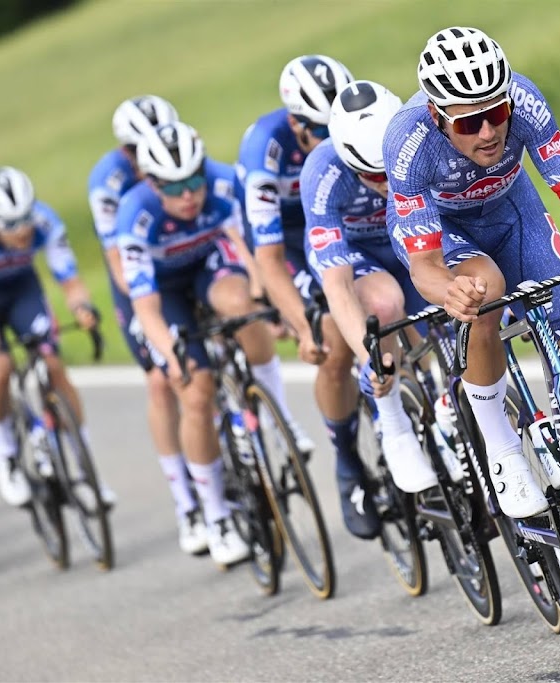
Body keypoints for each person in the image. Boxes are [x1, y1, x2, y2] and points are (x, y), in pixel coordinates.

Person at [383, 27, 560, 521]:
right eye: (469, 123)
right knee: (484, 289)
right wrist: (449, 292)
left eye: (495, 114)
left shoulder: (526, 98)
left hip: (513, 211)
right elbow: (424, 264)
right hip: (444, 231)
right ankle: (502, 451)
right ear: (437, 116)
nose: (489, 132)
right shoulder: (407, 140)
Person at [113, 121, 293, 567]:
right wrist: (171, 354)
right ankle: (214, 515)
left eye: (195, 180)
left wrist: (264, 301)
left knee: (241, 306)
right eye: (176, 187)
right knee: (195, 389)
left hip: (206, 265)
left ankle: (279, 416)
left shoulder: (222, 180)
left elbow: (251, 250)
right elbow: (147, 308)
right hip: (164, 291)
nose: (189, 194)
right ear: (153, 184)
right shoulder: (135, 216)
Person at [238, 54, 386, 537]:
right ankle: (347, 462)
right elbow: (268, 256)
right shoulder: (266, 150)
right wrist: (301, 325)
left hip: (345, 218)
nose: (331, 141)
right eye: (320, 131)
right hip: (291, 239)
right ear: (296, 124)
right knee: (332, 338)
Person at [299, 80, 443, 539]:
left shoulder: (417, 134)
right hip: (355, 255)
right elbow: (339, 289)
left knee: (450, 312)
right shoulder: (323, 172)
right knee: (383, 305)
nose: (386, 185)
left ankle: (450, 407)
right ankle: (393, 423)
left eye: (389, 173)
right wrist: (371, 358)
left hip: (405, 237)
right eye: (373, 177)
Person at [0, 166, 114, 510]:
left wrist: (82, 308)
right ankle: (6, 450)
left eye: (24, 218)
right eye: (10, 224)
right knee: (1, 366)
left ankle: (85, 466)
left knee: (52, 363)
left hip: (22, 290)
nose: (21, 230)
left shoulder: (44, 221)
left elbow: (70, 281)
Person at [88, 95, 207, 554]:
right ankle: (185, 501)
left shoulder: (184, 160)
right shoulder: (109, 182)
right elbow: (119, 260)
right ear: (125, 152)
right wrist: (148, 305)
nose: (148, 154)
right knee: (163, 379)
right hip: (140, 273)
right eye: (137, 150)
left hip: (189, 254)